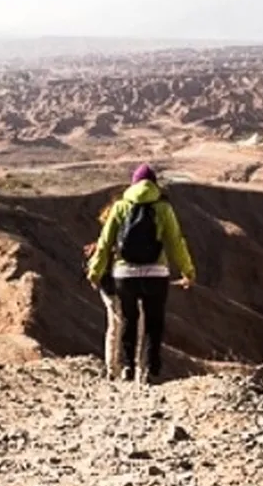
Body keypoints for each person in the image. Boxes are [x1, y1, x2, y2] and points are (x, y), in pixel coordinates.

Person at [86, 163, 196, 383]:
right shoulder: (164, 208)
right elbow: (175, 242)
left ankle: (127, 368)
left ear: (133, 184)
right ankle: (148, 371)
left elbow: (105, 242)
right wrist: (188, 271)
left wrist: (95, 271)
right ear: (154, 184)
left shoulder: (119, 207)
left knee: (128, 320)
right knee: (154, 323)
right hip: (157, 274)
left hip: (124, 275)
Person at [83, 192, 136, 380]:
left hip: (107, 284)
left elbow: (100, 255)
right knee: (129, 322)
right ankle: (128, 367)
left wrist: (94, 275)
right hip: (123, 282)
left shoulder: (105, 236)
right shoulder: (127, 233)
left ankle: (112, 368)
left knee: (114, 324)